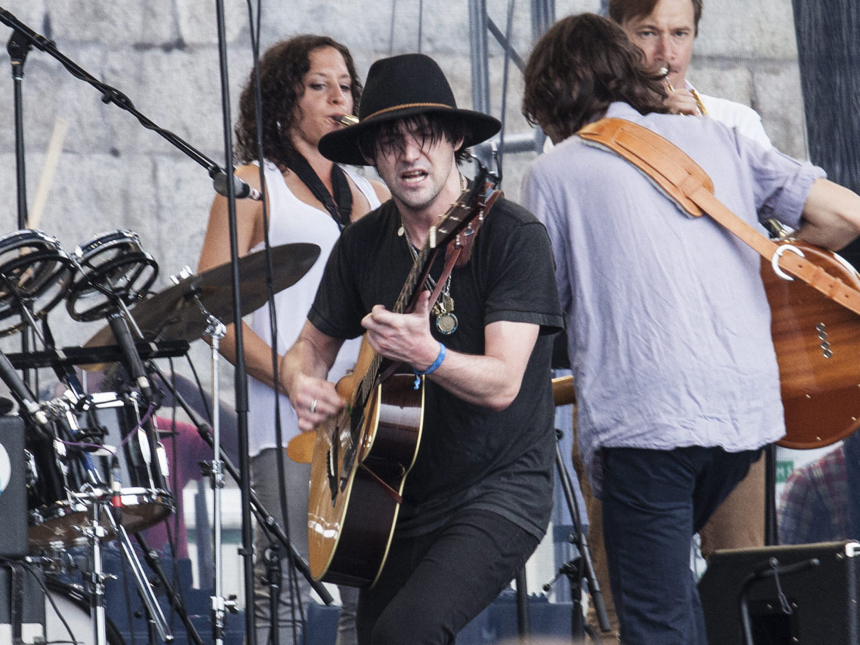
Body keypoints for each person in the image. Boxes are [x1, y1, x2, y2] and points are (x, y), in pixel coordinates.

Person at [521, 13, 860, 644]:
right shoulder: (720, 138)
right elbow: (845, 214)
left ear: (552, 95)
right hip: (746, 417)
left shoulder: (554, 172)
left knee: (653, 622)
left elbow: (541, 319)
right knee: (713, 597)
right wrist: (754, 284)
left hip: (647, 426)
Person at [281, 53, 564, 645]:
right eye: (391, 142)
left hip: (499, 488)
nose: (409, 155)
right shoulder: (362, 245)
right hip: (392, 496)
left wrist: (430, 354)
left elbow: (504, 382)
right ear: (372, 156)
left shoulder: (513, 237)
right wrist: (301, 381)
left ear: (455, 139)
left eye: (425, 136)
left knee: (405, 634)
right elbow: (309, 346)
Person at [197, 35, 388, 645]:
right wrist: (290, 375)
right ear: (285, 101)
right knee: (280, 588)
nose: (339, 97)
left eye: (346, 86)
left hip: (369, 419)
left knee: (370, 594)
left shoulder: (375, 193)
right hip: (286, 420)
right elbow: (209, 313)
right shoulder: (252, 184)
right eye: (319, 85)